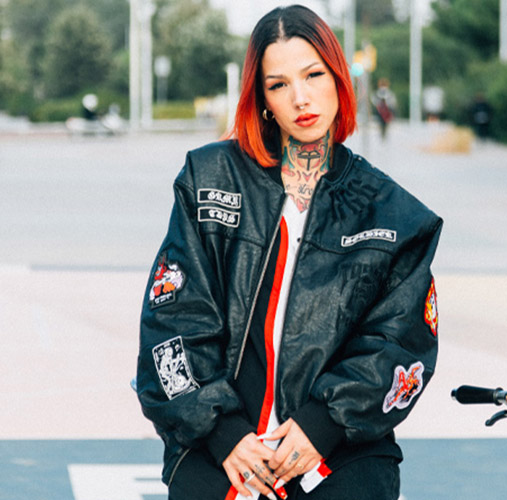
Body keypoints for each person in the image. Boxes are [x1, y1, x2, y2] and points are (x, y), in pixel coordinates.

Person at [136, 5, 442, 500]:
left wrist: (322, 424)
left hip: (341, 444)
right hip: (224, 440)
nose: (301, 98)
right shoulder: (210, 180)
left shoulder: (393, 215)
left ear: (338, 79)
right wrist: (224, 433)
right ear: (262, 101)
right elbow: (173, 320)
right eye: (278, 85)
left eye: (313, 75)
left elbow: (400, 343)